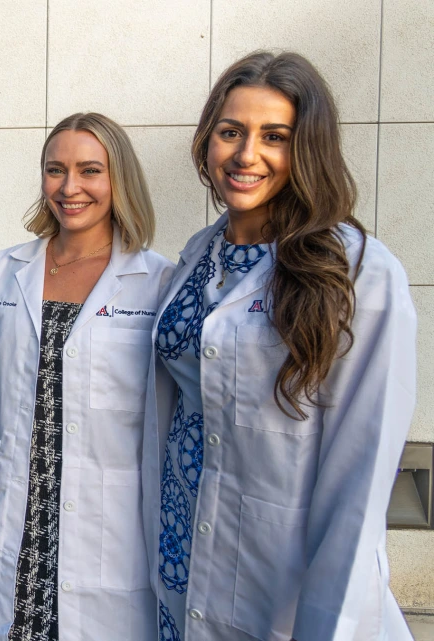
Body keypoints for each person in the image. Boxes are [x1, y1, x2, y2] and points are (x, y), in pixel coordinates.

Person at [145, 51, 417, 641]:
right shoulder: (197, 253)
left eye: (276, 136)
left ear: (308, 150)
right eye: (231, 132)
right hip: (178, 552)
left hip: (279, 581)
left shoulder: (357, 272)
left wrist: (329, 625)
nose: (247, 155)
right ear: (206, 142)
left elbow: (359, 479)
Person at [0, 112, 174, 641]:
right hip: (18, 508)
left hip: (108, 520)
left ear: (119, 181)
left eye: (90, 171)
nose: (70, 188)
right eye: (55, 170)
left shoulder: (157, 282)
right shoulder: (7, 270)